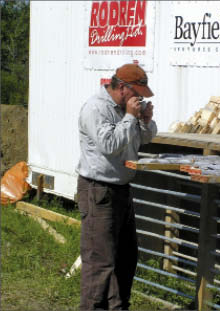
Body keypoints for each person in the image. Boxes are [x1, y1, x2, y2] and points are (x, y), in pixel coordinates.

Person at [76, 63, 157, 310]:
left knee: (126, 257)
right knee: (100, 262)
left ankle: (118, 307)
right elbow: (110, 144)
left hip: (121, 189)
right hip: (98, 190)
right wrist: (131, 117)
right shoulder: (95, 109)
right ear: (122, 88)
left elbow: (143, 139)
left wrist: (144, 120)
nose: (140, 99)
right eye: (138, 94)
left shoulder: (125, 109)